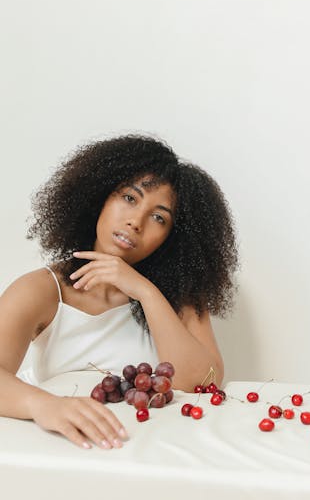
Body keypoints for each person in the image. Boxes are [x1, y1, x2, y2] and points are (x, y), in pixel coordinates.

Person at [0, 134, 238, 450]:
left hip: (156, 452)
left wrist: (145, 291)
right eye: (129, 198)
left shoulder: (180, 296)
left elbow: (202, 383)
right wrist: (44, 405)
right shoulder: (43, 289)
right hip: (65, 450)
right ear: (99, 197)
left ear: (172, 236)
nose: (136, 222)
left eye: (159, 217)